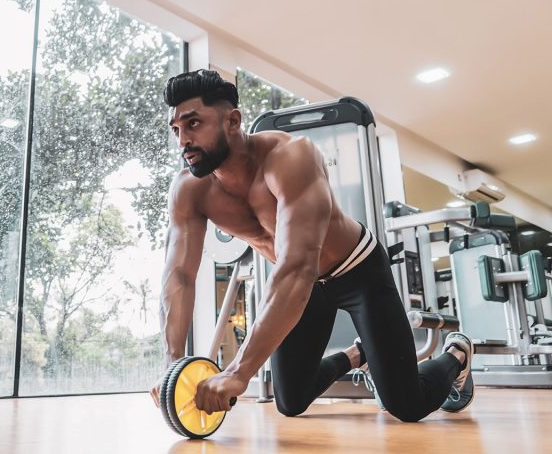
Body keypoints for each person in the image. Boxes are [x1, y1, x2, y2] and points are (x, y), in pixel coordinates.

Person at [149, 69, 474, 422]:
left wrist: (238, 371)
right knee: (290, 401)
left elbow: (297, 267)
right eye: (176, 130)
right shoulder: (189, 189)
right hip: (304, 287)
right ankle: (357, 355)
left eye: (193, 124)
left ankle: (456, 353)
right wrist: (172, 365)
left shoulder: (290, 158)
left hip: (357, 271)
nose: (182, 140)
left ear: (233, 120)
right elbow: (179, 276)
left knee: (406, 405)